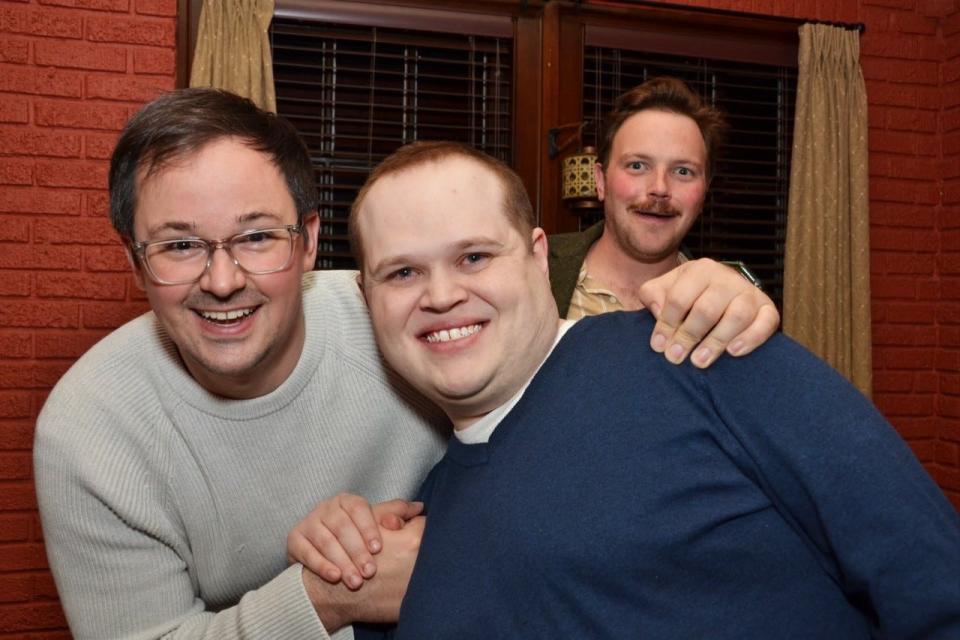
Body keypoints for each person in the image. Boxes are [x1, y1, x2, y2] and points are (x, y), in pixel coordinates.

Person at [32, 88, 782, 639]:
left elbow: (554, 368)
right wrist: (329, 597)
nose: (223, 279)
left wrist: (712, 293)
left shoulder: (401, 314)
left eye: (257, 237)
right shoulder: (92, 430)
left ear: (308, 242)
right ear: (134, 261)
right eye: (180, 245)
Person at [319, 140, 960, 638]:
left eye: (475, 257)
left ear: (539, 256)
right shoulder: (424, 520)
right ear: (365, 296)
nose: (440, 295)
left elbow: (934, 581)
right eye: (402, 272)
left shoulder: (698, 351)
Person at [549, 77, 778, 368]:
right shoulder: (532, 270)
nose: (659, 188)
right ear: (600, 180)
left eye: (683, 171)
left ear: (705, 191)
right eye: (637, 166)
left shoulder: (722, 306)